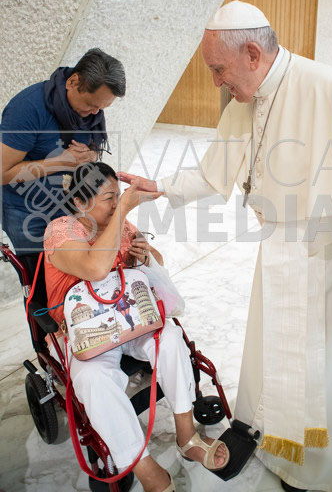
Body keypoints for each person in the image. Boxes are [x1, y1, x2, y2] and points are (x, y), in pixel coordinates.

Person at [119, 1, 332, 492]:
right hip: (282, 255)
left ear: (252, 53)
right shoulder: (248, 99)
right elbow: (214, 171)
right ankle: (285, 450)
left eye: (218, 69)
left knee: (330, 375)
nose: (215, 82)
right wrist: (161, 186)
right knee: (281, 365)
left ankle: (328, 472)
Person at [43, 162, 229, 492]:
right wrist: (125, 209)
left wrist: (145, 255)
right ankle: (144, 468)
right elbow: (95, 269)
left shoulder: (119, 224)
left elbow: (156, 258)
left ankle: (187, 437)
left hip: (131, 319)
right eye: (109, 198)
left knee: (169, 337)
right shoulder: (61, 231)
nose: (117, 204)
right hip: (88, 333)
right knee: (93, 379)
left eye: (119, 196)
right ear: (80, 203)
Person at [0, 48, 125, 256]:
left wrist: (91, 156)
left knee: (77, 269)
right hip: (27, 212)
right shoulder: (27, 109)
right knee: (41, 272)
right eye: (91, 105)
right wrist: (60, 162)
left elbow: (93, 147)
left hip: (70, 206)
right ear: (72, 82)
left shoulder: (91, 110)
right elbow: (3, 172)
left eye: (101, 109)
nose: (95, 113)